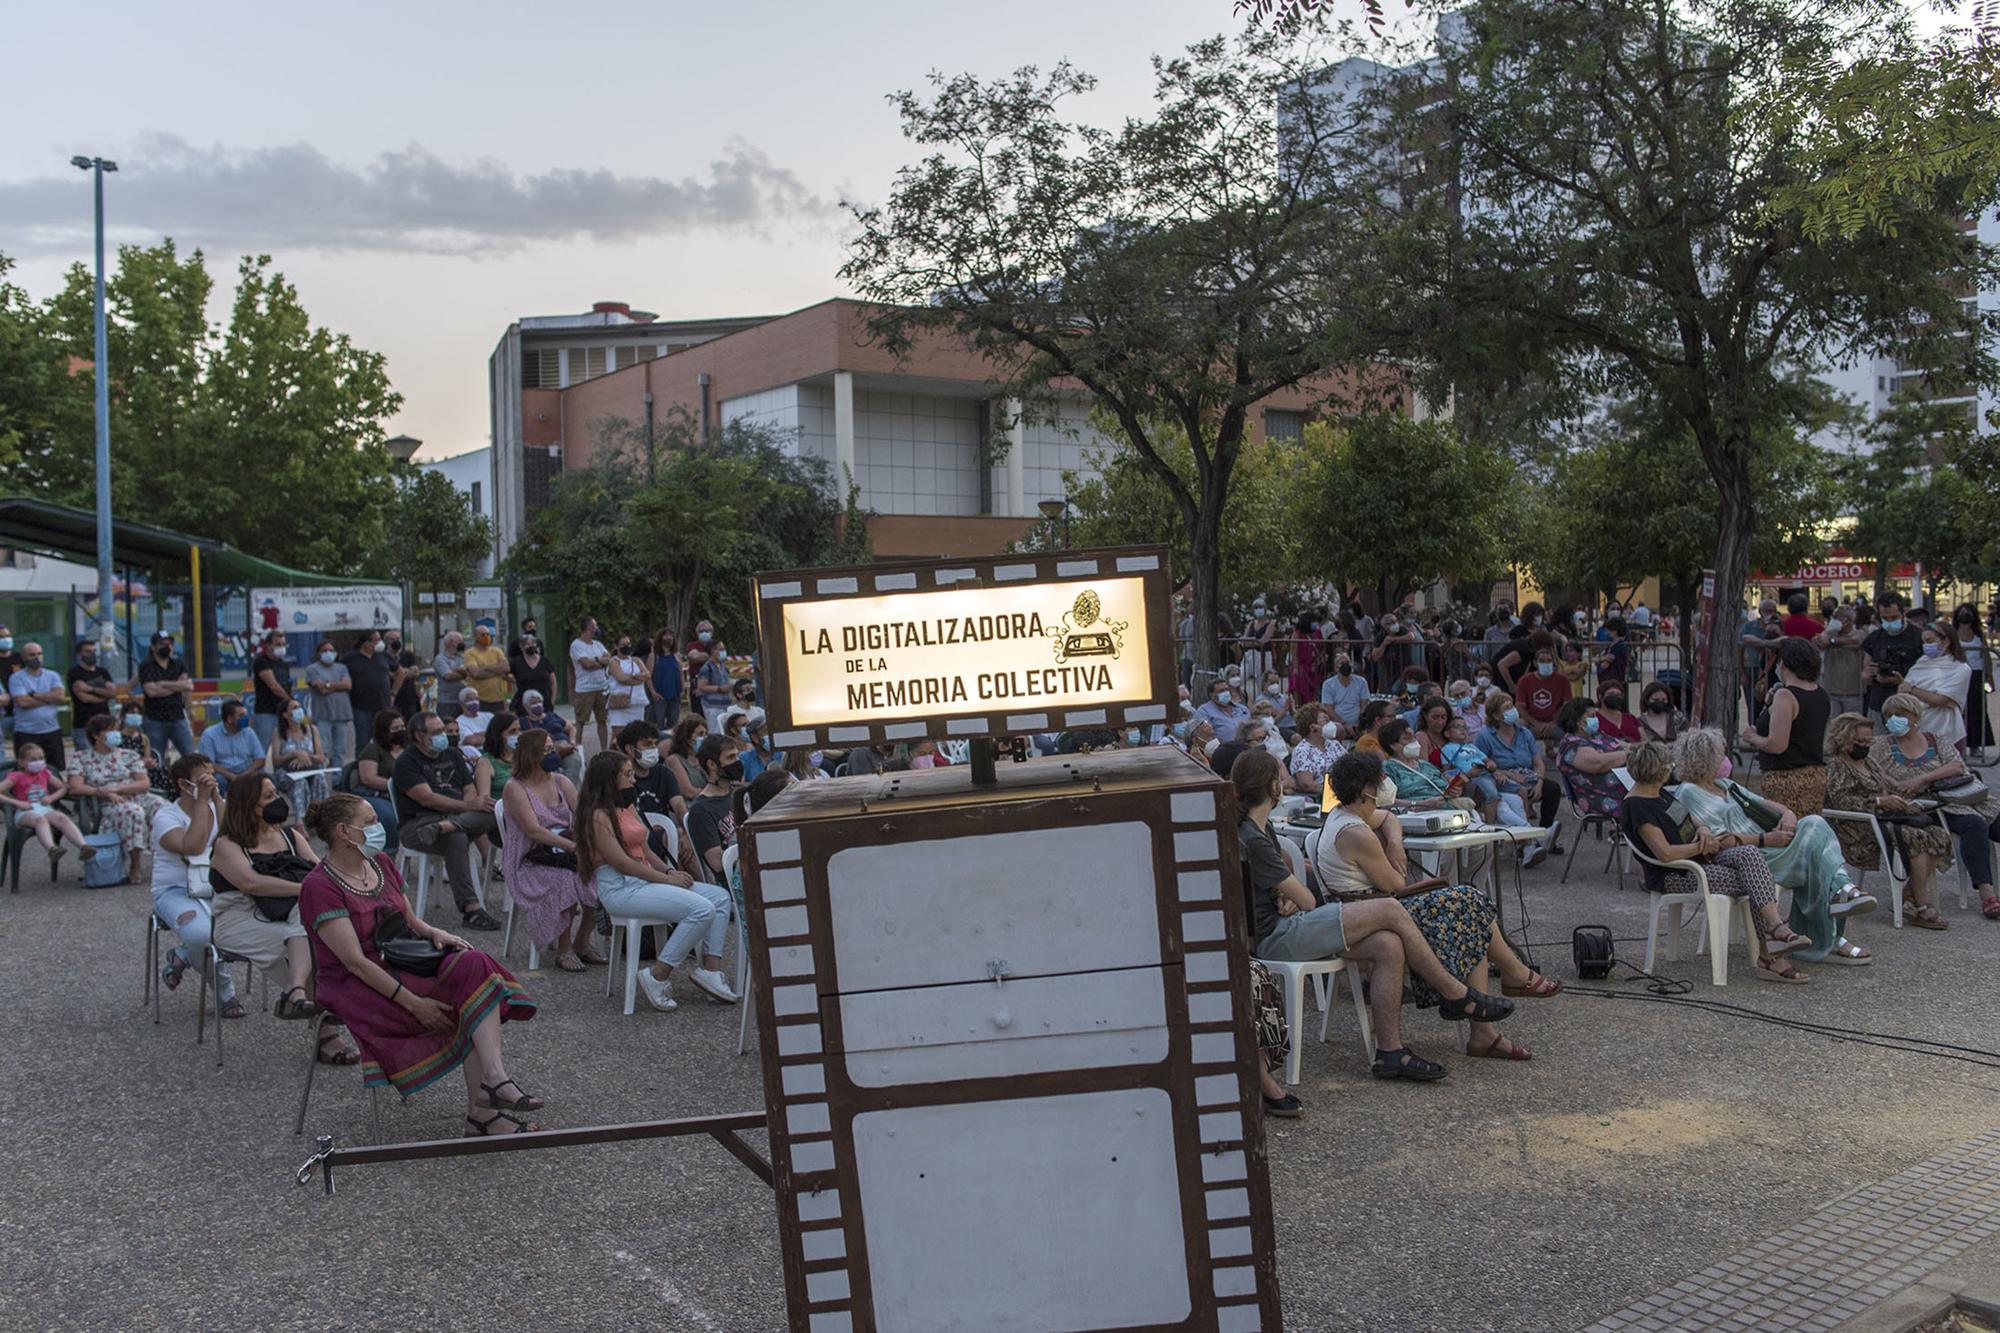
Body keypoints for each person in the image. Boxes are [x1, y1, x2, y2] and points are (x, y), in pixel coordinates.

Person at [1237, 748, 1518, 1082]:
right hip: (1279, 937)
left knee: (1388, 945)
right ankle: (1454, 993)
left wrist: (1287, 893)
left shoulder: (1258, 828)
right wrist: (1293, 896)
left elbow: (1284, 872)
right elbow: (1308, 901)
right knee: (1390, 908)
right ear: (1272, 786)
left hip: (1287, 926)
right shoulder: (1253, 835)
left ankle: (1390, 1052)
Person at [299, 793, 540, 1133]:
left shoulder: (380, 861)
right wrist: (415, 1004)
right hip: (354, 983)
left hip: (399, 956)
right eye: (369, 822)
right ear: (343, 832)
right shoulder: (319, 885)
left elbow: (407, 916)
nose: (379, 827)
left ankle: (494, 1082)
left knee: (474, 964)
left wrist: (433, 932)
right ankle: (484, 1113)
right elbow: (354, 962)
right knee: (463, 995)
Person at [1311, 750, 1554, 1059]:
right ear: (1365, 790)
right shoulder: (1356, 832)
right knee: (1470, 904)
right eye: (1380, 779)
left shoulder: (1349, 813)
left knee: (1470, 910)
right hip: (1372, 913)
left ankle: (1495, 1010)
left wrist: (1395, 842)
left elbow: (1387, 818)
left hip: (1380, 907)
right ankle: (1510, 985)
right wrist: (1394, 858)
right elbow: (1395, 884)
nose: (1386, 782)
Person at [1672, 727, 1872, 966]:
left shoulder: (1724, 784)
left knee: (1813, 824)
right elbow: (1717, 841)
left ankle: (1839, 903)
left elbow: (1762, 802)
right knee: (1816, 856)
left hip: (1770, 845)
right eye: (1719, 754)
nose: (1724, 759)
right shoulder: (1690, 792)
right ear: (1704, 759)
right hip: (1751, 855)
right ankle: (1841, 898)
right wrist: (1766, 839)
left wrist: (1787, 813)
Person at [1619, 739, 1814, 980]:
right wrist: (1699, 846)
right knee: (1754, 879)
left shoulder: (1658, 795)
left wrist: (1704, 831)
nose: (1672, 769)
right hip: (1676, 874)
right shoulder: (1638, 806)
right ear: (1658, 770)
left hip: (1702, 858)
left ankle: (1775, 932)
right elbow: (1665, 853)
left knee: (1750, 855)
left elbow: (1691, 819)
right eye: (1668, 765)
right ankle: (1771, 951)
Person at [573, 751, 737, 1011]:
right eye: (627, 775)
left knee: (719, 897)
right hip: (621, 888)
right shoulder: (597, 816)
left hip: (645, 879)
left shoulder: (626, 806)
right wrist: (665, 879)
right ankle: (657, 975)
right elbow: (622, 863)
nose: (633, 780)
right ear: (608, 780)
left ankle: (711, 970)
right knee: (701, 909)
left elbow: (646, 851)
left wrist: (670, 873)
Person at [1874, 692, 2000, 920]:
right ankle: (1987, 892)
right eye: (1889, 715)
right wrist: (1897, 784)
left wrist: (1920, 779)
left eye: (1899, 714)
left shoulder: (1934, 739)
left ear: (1914, 716)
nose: (1893, 719)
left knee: (1994, 819)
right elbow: (1873, 771)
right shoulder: (1882, 745)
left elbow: (1957, 766)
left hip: (1958, 797)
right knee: (1975, 825)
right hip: (1925, 807)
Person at [208, 774, 322, 1023]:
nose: (278, 801)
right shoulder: (228, 844)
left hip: (287, 914)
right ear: (249, 805)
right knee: (301, 944)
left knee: (313, 930)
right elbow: (253, 883)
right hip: (238, 920)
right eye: (268, 797)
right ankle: (324, 1025)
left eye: (276, 794)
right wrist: (304, 890)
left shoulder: (291, 837)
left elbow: (321, 873)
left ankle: (297, 991)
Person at [1824, 712, 1950, 930]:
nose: (1865, 745)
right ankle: (1921, 902)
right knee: (1917, 837)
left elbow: (1888, 786)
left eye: (1868, 741)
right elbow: (1841, 801)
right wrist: (1880, 801)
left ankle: (1910, 894)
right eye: (1859, 741)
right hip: (1857, 826)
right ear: (1843, 740)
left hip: (1883, 819)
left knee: (1938, 834)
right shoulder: (1837, 766)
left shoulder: (1869, 761)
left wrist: (1904, 802)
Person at [500, 728, 601, 971]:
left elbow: (583, 814)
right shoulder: (515, 788)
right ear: (531, 756)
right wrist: (572, 846)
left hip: (561, 851)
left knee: (598, 872)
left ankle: (582, 941)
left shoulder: (560, 781)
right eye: (546, 750)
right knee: (566, 878)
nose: (552, 753)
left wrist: (586, 839)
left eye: (552, 748)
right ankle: (564, 949)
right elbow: (533, 831)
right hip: (529, 858)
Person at [393, 710, 503, 931]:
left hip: (454, 819)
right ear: (418, 736)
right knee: (456, 837)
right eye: (437, 732)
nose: (443, 735)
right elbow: (427, 798)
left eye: (443, 730)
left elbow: (468, 788)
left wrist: (469, 807)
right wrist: (468, 807)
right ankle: (471, 910)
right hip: (420, 825)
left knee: (500, 810)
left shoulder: (453, 754)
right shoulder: (407, 761)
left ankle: (526, 886)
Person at [151, 754, 241, 1017]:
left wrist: (216, 799)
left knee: (256, 923)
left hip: (216, 887)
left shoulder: (214, 806)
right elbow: (193, 847)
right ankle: (226, 993)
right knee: (201, 936)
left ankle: (182, 954)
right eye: (204, 778)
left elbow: (232, 837)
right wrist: (203, 800)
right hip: (175, 892)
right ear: (183, 784)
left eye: (213, 776)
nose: (211, 782)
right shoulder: (165, 816)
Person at [68, 714, 165, 879]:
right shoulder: (81, 758)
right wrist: (101, 791)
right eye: (109, 730)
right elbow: (75, 787)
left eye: (115, 729)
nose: (115, 733)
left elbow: (144, 783)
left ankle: (167, 860)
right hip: (104, 802)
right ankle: (135, 864)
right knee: (133, 812)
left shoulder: (129, 755)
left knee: (163, 807)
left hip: (132, 793)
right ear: (96, 735)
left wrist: (118, 788)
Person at [1746, 636, 1832, 817]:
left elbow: (1777, 745)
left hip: (1786, 778)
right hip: (1814, 775)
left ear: (1783, 663)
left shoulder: (1786, 696)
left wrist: (1753, 737)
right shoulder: (1820, 693)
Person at [1476, 691, 1563, 865]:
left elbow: (1538, 762)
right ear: (1495, 715)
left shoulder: (1524, 733)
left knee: (1552, 789)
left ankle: (1541, 833)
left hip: (1528, 777)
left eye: (1512, 706)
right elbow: (1482, 765)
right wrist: (1508, 774)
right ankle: (1535, 839)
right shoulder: (1486, 736)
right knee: (1516, 797)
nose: (1512, 711)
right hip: (1503, 779)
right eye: (1506, 708)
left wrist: (1539, 781)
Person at [2, 740, 90, 874]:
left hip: (44, 808)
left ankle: (84, 846)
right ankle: (52, 849)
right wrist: (17, 803)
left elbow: (63, 788)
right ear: (21, 763)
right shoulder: (16, 776)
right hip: (25, 811)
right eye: (32, 759)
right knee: (39, 820)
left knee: (62, 817)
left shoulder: (45, 773)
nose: (38, 762)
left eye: (41, 758)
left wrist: (51, 798)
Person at [1553, 698, 1630, 821]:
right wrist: (1628, 755)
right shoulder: (1571, 745)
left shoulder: (1598, 736)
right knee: (1644, 804)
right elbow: (1597, 764)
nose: (1596, 719)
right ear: (1578, 721)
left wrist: (1646, 749)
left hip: (1625, 788)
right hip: (1601, 797)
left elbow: (1628, 747)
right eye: (1591, 716)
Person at [1903, 623, 1972, 755]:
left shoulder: (1960, 669)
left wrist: (1912, 689)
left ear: (1946, 641)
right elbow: (1903, 688)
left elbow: (1941, 699)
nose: (1926, 646)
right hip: (1917, 728)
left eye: (1930, 641)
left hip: (1945, 731)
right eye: (1924, 642)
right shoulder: (1922, 662)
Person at [1862, 591, 1924, 719]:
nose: (1890, 621)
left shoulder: (1919, 637)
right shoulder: (1874, 638)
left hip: (1909, 705)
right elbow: (1865, 675)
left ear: (1903, 613)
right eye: (1885, 618)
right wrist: (1870, 674)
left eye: (1894, 617)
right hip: (1879, 703)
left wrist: (1902, 681)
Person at [137, 631, 197, 760]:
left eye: (170, 644)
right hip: (154, 719)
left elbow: (187, 687)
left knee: (190, 755)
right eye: (162, 644)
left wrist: (163, 683)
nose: (167, 647)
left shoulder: (179, 664)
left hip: (177, 717)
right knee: (157, 758)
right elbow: (151, 692)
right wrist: (177, 687)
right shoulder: (146, 665)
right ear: (153, 647)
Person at [8, 642, 67, 772]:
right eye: (32, 655)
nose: (37, 657)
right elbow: (22, 702)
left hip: (52, 730)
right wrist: (49, 699)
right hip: (26, 733)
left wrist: (34, 695)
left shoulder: (53, 675)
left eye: (39, 654)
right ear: (23, 657)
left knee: (56, 770)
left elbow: (60, 697)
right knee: (26, 772)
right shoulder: (16, 678)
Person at [353, 711, 404, 851]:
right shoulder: (373, 749)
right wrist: (397, 785)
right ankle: (389, 855)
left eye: (402, 727)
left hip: (407, 794)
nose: (400, 731)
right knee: (389, 817)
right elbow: (368, 778)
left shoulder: (409, 749)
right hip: (375, 794)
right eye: (395, 729)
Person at [269, 705, 331, 820]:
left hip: (310, 769)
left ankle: (319, 816)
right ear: (285, 715)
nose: (299, 710)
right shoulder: (278, 732)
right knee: (300, 783)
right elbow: (276, 761)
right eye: (294, 707)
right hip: (288, 773)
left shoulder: (312, 730)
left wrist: (305, 755)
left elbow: (321, 757)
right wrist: (294, 754)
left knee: (319, 779)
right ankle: (300, 821)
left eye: (299, 706)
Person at [303, 640, 355, 774]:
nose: (328, 653)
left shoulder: (341, 668)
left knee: (340, 749)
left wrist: (327, 685)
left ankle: (338, 777)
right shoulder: (312, 669)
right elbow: (319, 688)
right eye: (324, 650)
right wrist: (337, 685)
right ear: (318, 653)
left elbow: (347, 685)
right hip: (323, 714)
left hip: (341, 713)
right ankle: (321, 776)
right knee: (323, 748)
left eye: (331, 650)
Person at [342, 631, 396, 756]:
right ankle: (361, 768)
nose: (380, 643)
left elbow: (400, 672)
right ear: (366, 643)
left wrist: (393, 693)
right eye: (376, 640)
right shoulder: (350, 658)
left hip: (383, 706)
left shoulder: (383, 655)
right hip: (361, 707)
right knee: (362, 741)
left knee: (385, 740)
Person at [198, 699, 266, 791]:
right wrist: (233, 777)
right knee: (218, 780)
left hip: (246, 771)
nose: (246, 718)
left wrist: (243, 776)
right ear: (229, 719)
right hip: (224, 774)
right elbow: (209, 763)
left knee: (265, 777)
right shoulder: (209, 734)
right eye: (241, 715)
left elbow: (260, 758)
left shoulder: (248, 731)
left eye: (245, 714)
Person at [1512, 634, 1571, 740]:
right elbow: (1520, 706)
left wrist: (1553, 723)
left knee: (1572, 726)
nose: (1546, 663)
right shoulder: (1525, 680)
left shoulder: (1562, 680)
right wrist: (1536, 723)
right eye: (1542, 661)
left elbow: (1567, 705)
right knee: (1517, 725)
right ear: (1535, 663)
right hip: (1532, 722)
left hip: (1556, 723)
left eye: (1549, 661)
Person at [1816, 602, 1868, 719]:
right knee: (1833, 725)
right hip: (1831, 690)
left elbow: (1856, 641)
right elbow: (1821, 642)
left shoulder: (1860, 634)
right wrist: (1829, 632)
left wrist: (1832, 642)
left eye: (1837, 618)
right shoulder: (1830, 633)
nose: (1833, 620)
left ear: (1848, 620)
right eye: (1833, 618)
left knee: (1852, 724)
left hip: (1854, 691)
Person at [1953, 604, 1993, 755]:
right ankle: (1960, 745)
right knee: (1960, 710)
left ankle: (1975, 745)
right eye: (1962, 612)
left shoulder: (1978, 635)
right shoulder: (1953, 634)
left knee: (1978, 709)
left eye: (1968, 612)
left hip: (1977, 675)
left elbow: (1986, 656)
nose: (1965, 615)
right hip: (1959, 676)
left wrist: (1989, 676)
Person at [519, 690, 582, 786]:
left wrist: (572, 741)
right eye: (533, 703)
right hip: (544, 750)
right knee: (551, 764)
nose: (538, 705)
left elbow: (571, 728)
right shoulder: (524, 722)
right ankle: (564, 790)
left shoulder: (552, 716)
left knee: (575, 760)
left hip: (564, 745)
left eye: (539, 701)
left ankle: (567, 788)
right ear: (526, 706)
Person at [569, 616, 612, 753]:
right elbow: (586, 664)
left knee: (602, 721)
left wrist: (596, 661)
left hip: (602, 688)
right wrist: (601, 662)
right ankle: (577, 751)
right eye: (595, 625)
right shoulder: (576, 645)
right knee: (580, 721)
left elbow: (609, 658)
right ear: (589, 628)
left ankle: (604, 750)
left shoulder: (598, 644)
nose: (597, 628)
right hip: (584, 689)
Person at [66, 638, 117, 754]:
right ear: (79, 654)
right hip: (83, 725)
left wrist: (90, 689)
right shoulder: (74, 673)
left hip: (105, 725)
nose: (92, 654)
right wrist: (104, 696)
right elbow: (84, 698)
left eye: (94, 651)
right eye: (88, 651)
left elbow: (113, 693)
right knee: (85, 758)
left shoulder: (102, 672)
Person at [249, 631, 297, 748]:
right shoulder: (261, 662)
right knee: (262, 749)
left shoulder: (284, 664)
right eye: (278, 644)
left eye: (283, 644)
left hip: (283, 713)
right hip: (266, 712)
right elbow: (273, 686)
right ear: (268, 645)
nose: (281, 647)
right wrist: (290, 701)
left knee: (285, 747)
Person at [1287, 703, 1345, 792]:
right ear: (1312, 727)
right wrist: (1336, 790)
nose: (1331, 724)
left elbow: (1350, 767)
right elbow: (1307, 784)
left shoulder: (1334, 745)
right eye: (1326, 720)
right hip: (1323, 796)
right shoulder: (1302, 751)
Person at [1739, 598, 1782, 716]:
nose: (1770, 613)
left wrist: (1763, 643)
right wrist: (1742, 673)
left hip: (1773, 671)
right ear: (1760, 611)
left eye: (1773, 610)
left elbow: (1783, 641)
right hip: (1752, 669)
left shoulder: (1778, 626)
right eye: (1767, 610)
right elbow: (1742, 645)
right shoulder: (1749, 627)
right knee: (1754, 705)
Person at [462, 623, 513, 712]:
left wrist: (486, 668)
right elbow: (476, 673)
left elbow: (506, 668)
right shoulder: (470, 653)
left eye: (488, 634)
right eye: (483, 635)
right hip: (479, 699)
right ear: (475, 637)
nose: (486, 637)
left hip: (498, 699)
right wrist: (497, 671)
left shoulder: (497, 651)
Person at [508, 630, 557, 717]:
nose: (531, 647)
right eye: (527, 644)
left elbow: (553, 682)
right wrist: (513, 680)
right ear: (521, 647)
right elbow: (504, 673)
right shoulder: (516, 663)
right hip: (524, 706)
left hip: (545, 704)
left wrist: (552, 702)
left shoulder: (545, 661)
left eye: (533, 644)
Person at [607, 633, 650, 731]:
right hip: (620, 702)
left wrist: (631, 677)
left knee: (637, 731)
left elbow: (647, 675)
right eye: (623, 644)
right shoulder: (614, 661)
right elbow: (621, 678)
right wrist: (638, 679)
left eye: (628, 643)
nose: (626, 646)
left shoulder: (636, 660)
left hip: (637, 701)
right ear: (616, 646)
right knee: (618, 733)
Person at [1319, 653, 1368, 736]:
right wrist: (1344, 724)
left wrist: (1360, 723)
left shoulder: (1361, 682)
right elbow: (1329, 710)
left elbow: (1364, 706)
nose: (1346, 665)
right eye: (1342, 663)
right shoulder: (1328, 684)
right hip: (1338, 724)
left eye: (1347, 663)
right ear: (1336, 668)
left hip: (1358, 723)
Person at [476, 712, 520, 803]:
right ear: (498, 734)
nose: (517, 735)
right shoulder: (485, 763)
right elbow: (485, 800)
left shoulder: (523, 756)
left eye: (519, 730)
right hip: (501, 809)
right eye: (512, 731)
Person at [693, 635, 734, 729]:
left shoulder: (723, 666)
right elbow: (701, 687)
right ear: (712, 651)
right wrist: (720, 689)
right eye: (721, 649)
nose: (724, 651)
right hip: (713, 707)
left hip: (725, 705)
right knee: (715, 732)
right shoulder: (707, 668)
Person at [1196, 677, 1251, 743]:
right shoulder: (1204, 711)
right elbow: (1205, 735)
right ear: (1212, 695)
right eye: (1221, 691)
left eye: (1227, 689)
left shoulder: (1242, 709)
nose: (1226, 693)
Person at [648, 630, 684, 727]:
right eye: (666, 635)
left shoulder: (677, 656)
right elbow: (648, 677)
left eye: (671, 635)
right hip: (660, 697)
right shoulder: (654, 656)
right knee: (657, 725)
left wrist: (682, 690)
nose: (669, 638)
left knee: (673, 725)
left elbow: (681, 674)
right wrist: (653, 693)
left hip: (675, 695)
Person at [1636, 679, 1686, 744]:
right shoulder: (1639, 723)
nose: (1660, 702)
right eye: (1656, 700)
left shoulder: (1678, 717)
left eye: (1664, 699)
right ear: (1647, 700)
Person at [386, 631, 422, 721]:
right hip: (394, 699)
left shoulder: (408, 655)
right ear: (386, 642)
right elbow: (388, 675)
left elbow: (416, 672)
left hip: (410, 698)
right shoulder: (383, 657)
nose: (396, 641)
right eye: (392, 639)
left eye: (398, 639)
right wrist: (406, 672)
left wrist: (398, 674)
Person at [432, 632, 468, 721]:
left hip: (464, 701)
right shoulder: (440, 659)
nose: (462, 643)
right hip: (447, 702)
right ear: (451, 642)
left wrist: (458, 671)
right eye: (460, 641)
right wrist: (466, 674)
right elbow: (448, 676)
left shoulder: (463, 657)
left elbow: (472, 670)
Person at [452, 687, 495, 759]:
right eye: (470, 699)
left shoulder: (489, 716)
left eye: (476, 699)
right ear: (461, 703)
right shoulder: (459, 721)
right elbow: (471, 741)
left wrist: (478, 735)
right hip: (476, 755)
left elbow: (501, 731)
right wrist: (492, 735)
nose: (474, 702)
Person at [1594, 617, 1631, 694]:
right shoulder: (1611, 645)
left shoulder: (1619, 646)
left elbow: (1606, 663)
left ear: (1614, 631)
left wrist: (1600, 660)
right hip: (1608, 680)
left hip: (1614, 680)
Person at [0, 622, 17, 764]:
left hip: (19, 711)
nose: (5, 639)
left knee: (23, 749)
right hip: (2, 713)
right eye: (1, 637)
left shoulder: (18, 658)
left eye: (7, 636)